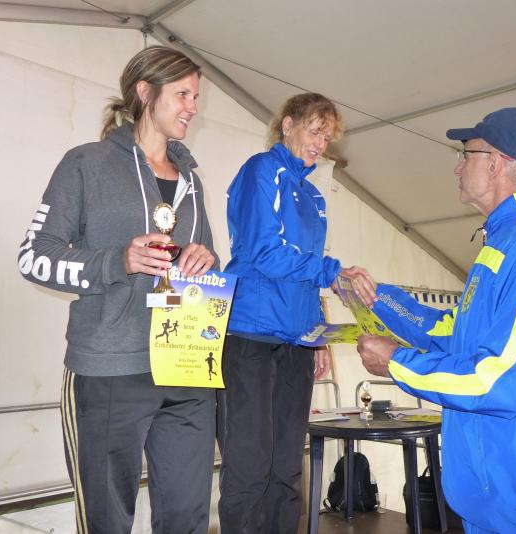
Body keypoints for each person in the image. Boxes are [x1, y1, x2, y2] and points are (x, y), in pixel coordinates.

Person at [356, 108, 516, 533]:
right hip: (494, 489)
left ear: (495, 162)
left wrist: (397, 363)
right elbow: (454, 330)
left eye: (464, 154)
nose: (457, 167)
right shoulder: (508, 240)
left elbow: (502, 379)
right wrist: (378, 298)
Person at [18, 46, 218, 533]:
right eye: (183, 95)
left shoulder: (192, 181)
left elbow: (208, 260)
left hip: (187, 367)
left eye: (196, 97)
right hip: (110, 369)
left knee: (187, 518)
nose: (193, 107)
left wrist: (205, 260)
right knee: (106, 521)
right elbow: (34, 256)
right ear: (145, 92)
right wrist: (116, 260)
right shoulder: (85, 164)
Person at [218, 93, 376, 534]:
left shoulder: (314, 196)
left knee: (288, 463)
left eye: (328, 136)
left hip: (296, 339)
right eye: (315, 130)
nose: (321, 143)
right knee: (250, 463)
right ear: (287, 125)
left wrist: (318, 333)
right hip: (251, 334)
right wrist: (332, 271)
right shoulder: (261, 170)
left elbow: (307, 272)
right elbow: (265, 252)